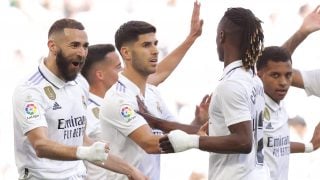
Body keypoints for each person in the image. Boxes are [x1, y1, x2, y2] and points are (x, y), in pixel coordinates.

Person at [12, 18, 147, 180]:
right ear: (52, 47)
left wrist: (130, 170)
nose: (82, 53)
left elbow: (82, 140)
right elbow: (40, 145)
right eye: (74, 45)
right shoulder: (30, 91)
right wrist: (85, 152)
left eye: (85, 46)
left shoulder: (80, 84)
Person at [81, 1, 203, 179]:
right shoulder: (117, 99)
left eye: (155, 44)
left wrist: (198, 124)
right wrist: (203, 139)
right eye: (146, 45)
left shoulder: (152, 94)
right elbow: (150, 144)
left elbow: (173, 132)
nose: (155, 51)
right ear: (127, 53)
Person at [159, 7, 269, 180]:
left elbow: (244, 141)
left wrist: (192, 142)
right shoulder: (253, 79)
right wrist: (154, 121)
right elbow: (210, 132)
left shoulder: (231, 85)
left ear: (221, 36)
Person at [256, 46, 320, 180]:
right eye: (275, 75)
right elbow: (239, 141)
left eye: (288, 75)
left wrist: (310, 146)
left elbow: (278, 144)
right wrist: (200, 135)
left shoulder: (280, 101)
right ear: (259, 76)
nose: (283, 82)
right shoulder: (252, 105)